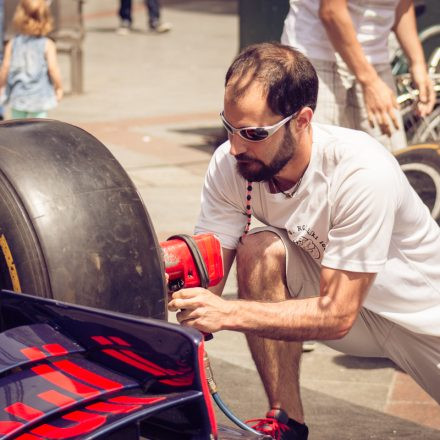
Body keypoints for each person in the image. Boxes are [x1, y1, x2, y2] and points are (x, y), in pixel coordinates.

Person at [168, 42, 440, 440]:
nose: (236, 146)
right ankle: (286, 422)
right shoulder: (234, 163)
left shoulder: (361, 171)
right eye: (228, 126)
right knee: (258, 249)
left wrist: (226, 313)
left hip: (420, 315)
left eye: (254, 132)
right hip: (347, 309)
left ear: (302, 120)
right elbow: (205, 280)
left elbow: (335, 315)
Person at [280, 0, 436, 152]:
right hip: (317, 56)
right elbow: (331, 11)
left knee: (391, 157)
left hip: (375, 60)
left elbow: (402, 5)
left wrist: (418, 64)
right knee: (320, 155)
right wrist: (371, 83)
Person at [0, 0, 63, 119]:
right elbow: (53, 69)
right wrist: (58, 87)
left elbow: (5, 68)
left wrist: (1, 86)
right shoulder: (47, 45)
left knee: (18, 130)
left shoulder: (12, 44)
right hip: (39, 98)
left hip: (18, 97)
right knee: (39, 131)